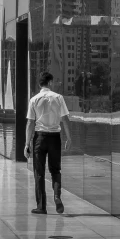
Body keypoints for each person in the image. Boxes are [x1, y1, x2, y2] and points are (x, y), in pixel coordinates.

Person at [24, 72, 72, 215]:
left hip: (40, 138)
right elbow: (65, 119)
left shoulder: (34, 99)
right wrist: (69, 138)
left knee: (39, 172)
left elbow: (30, 123)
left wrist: (27, 144)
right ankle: (57, 196)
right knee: (55, 170)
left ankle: (41, 206)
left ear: (40, 84)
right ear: (50, 82)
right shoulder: (58, 97)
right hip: (55, 137)